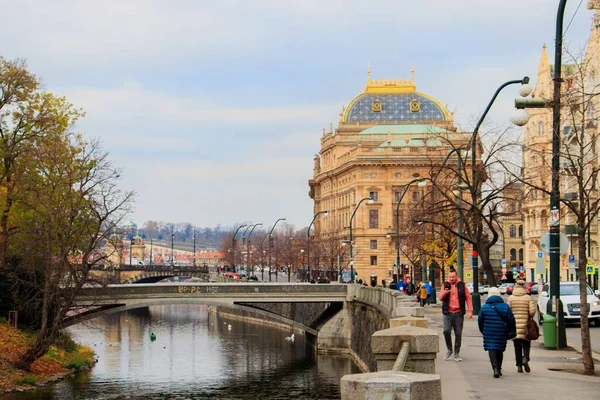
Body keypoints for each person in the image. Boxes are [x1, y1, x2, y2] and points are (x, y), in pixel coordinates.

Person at [478, 287, 516, 378]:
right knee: (499, 349)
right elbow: (511, 320)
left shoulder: (484, 307)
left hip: (488, 331)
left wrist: (483, 331)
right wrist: (512, 330)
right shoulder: (505, 307)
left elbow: (480, 321)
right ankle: (499, 368)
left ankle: (495, 368)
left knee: (492, 349)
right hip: (501, 331)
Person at [438, 269, 473, 362]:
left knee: (458, 333)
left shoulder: (462, 285)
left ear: (456, 276)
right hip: (448, 312)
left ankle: (457, 353)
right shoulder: (445, 285)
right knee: (446, 331)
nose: (451, 279)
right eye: (450, 277)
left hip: (458, 313)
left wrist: (470, 310)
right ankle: (449, 349)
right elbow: (440, 298)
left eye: (453, 277)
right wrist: (445, 292)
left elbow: (468, 298)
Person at [508, 280, 536, 373]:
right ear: (524, 287)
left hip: (514, 325)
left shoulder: (511, 298)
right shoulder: (528, 298)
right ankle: (526, 359)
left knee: (517, 345)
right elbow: (532, 312)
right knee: (527, 344)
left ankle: (519, 365)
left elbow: (508, 311)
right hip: (526, 325)